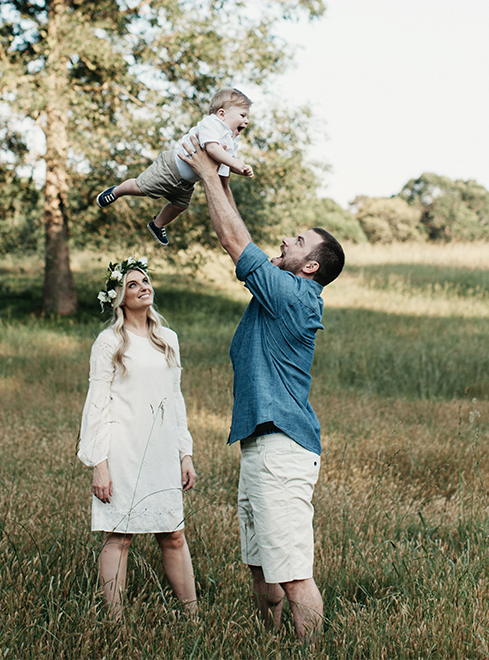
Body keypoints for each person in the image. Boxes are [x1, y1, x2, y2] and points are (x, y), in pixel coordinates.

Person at [178, 138, 344, 643]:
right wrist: (222, 177)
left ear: (310, 265)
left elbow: (236, 244)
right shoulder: (279, 291)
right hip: (259, 443)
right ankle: (270, 645)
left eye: (296, 241)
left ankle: (310, 651)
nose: (285, 242)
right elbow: (237, 235)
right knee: (261, 567)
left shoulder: (294, 296)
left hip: (283, 448)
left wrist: (206, 173)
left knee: (292, 574)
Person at [78, 256, 197, 620]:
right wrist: (99, 463)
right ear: (119, 298)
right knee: (119, 535)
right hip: (123, 450)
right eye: (133, 284)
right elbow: (96, 403)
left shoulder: (168, 339)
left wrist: (185, 453)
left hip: (161, 449)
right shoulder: (108, 342)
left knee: (173, 534)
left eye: (145, 281)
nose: (144, 287)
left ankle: (192, 617)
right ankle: (115, 623)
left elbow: (175, 399)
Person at [95, 88, 254, 246]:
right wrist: (234, 163)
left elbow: (225, 167)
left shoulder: (231, 141)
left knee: (180, 206)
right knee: (140, 188)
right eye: (242, 115)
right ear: (222, 114)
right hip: (170, 168)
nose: (246, 121)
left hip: (186, 183)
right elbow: (212, 148)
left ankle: (157, 225)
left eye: (247, 116)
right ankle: (117, 191)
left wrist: (240, 169)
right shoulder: (212, 124)